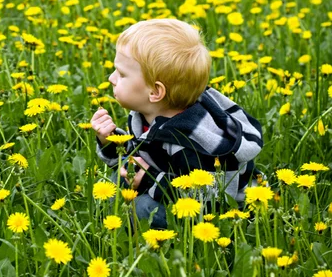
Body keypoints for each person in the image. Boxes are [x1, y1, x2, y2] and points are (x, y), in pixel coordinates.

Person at [91, 19, 262, 228]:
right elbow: (135, 158)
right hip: (170, 185)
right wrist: (111, 142)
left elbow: (211, 199)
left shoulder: (190, 141)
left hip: (224, 211)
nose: (111, 78)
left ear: (155, 92)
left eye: (122, 74)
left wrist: (149, 180)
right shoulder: (147, 113)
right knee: (112, 183)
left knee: (144, 208)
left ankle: (154, 248)